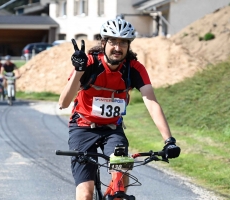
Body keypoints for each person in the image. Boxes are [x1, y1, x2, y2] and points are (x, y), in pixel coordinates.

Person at [58, 18, 181, 200]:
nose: (117, 47)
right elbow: (63, 103)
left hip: (112, 130)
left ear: (128, 45)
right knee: (85, 193)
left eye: (123, 42)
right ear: (103, 42)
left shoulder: (134, 69)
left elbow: (151, 102)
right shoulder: (90, 63)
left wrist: (169, 140)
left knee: (120, 184)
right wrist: (78, 70)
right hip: (83, 127)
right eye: (113, 41)